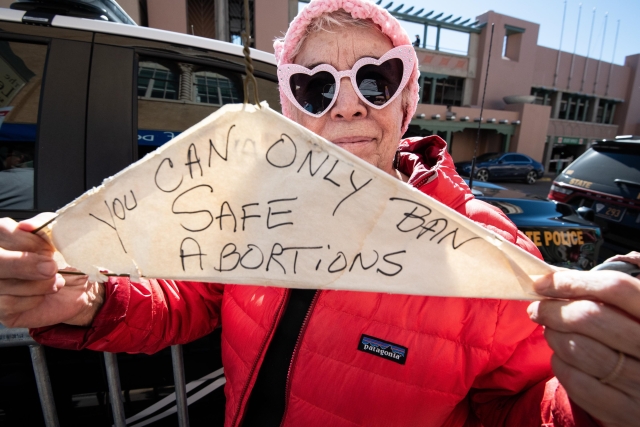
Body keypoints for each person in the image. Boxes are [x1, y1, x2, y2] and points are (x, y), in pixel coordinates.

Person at [0, 1, 639, 426]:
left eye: (375, 79)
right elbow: (190, 299)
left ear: (406, 101)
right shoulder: (251, 204)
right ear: (293, 106)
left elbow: (527, 402)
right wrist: (84, 299)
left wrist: (596, 405)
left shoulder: (482, 245)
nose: (348, 106)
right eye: (316, 85)